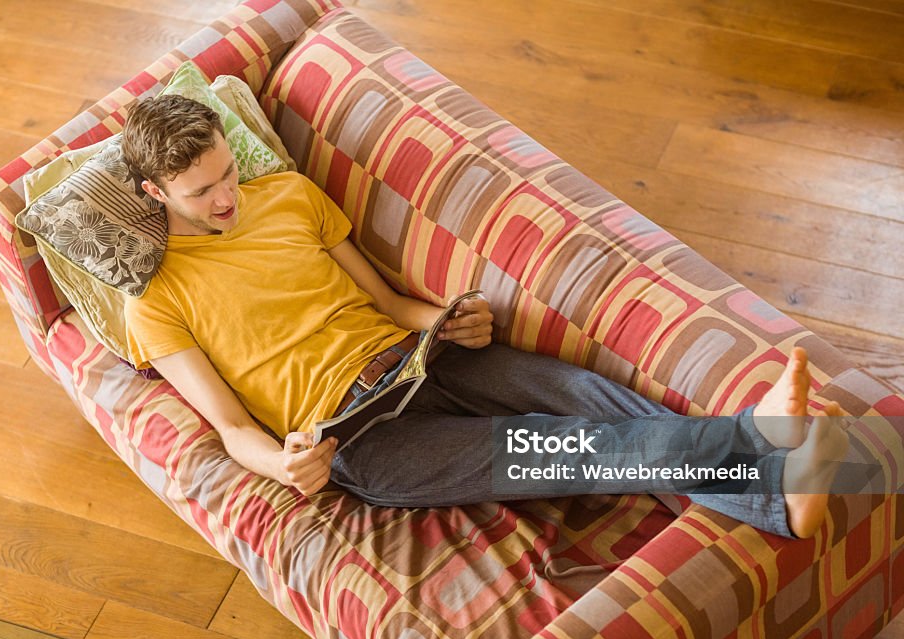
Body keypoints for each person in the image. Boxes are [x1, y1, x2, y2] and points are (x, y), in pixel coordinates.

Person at [121, 94, 847, 540]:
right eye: (202, 193)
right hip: (358, 434)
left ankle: (768, 466)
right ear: (155, 192)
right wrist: (284, 464)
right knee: (549, 445)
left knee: (581, 396)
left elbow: (386, 302)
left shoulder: (286, 193)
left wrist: (448, 318)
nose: (227, 198)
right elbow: (232, 429)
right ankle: (772, 477)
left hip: (419, 356)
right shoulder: (155, 297)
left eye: (227, 174)